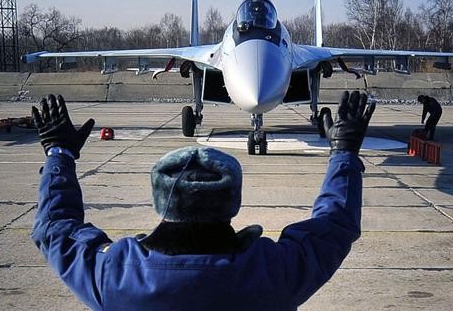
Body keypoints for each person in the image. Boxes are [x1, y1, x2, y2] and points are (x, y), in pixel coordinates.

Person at [31, 91, 375, 311]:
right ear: (232, 200)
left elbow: (55, 229)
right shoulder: (271, 271)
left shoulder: (116, 274)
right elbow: (334, 224)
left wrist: (59, 154)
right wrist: (343, 153)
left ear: (160, 199)